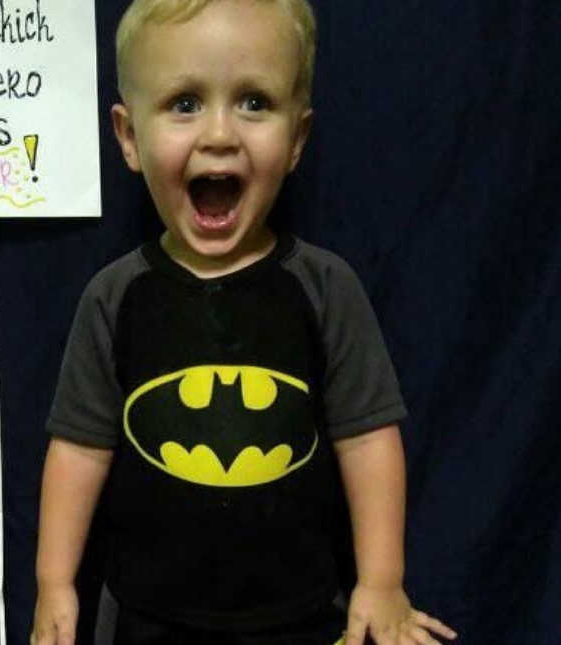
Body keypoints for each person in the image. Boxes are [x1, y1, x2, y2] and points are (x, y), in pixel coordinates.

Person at [31, 1, 459, 643]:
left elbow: (368, 440)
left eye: (255, 102)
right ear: (127, 137)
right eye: (184, 103)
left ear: (297, 140)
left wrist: (381, 580)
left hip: (302, 614)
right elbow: (79, 449)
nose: (221, 134)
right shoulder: (116, 297)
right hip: (148, 617)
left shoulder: (324, 289)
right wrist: (54, 583)